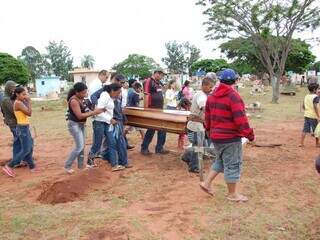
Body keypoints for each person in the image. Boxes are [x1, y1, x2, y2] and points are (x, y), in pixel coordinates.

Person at [200, 69, 255, 202]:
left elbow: (207, 118)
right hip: (230, 138)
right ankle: (232, 194)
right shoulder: (233, 96)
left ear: (220, 80)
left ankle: (206, 183)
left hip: (216, 136)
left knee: (220, 161)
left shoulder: (212, 96)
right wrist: (250, 135)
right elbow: (240, 119)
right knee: (233, 164)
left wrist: (209, 132)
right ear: (235, 80)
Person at [64, 82, 104, 174]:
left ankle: (81, 165)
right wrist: (94, 113)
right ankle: (67, 166)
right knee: (79, 147)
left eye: (86, 92)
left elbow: (88, 110)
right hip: (74, 125)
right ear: (77, 92)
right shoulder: (74, 101)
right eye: (83, 93)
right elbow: (80, 116)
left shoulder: (82, 99)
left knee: (82, 146)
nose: (85, 94)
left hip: (81, 125)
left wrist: (95, 111)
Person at [181, 77, 214, 173]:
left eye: (212, 87)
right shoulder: (201, 96)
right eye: (210, 87)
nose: (211, 89)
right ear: (204, 85)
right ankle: (194, 166)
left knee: (200, 146)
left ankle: (186, 156)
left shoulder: (203, 94)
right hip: (196, 125)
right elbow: (204, 108)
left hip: (196, 125)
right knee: (199, 146)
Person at [2, 87, 37, 177]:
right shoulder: (18, 103)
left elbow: (26, 112)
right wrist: (29, 101)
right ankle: (9, 166)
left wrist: (26, 100)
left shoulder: (20, 102)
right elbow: (29, 113)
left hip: (25, 127)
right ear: (17, 94)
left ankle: (32, 166)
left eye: (25, 94)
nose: (25, 96)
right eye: (23, 94)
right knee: (26, 149)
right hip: (22, 128)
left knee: (30, 147)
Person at [95, 83, 129, 171]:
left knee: (112, 142)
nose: (119, 94)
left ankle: (114, 164)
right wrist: (110, 119)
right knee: (97, 144)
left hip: (109, 123)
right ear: (113, 91)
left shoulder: (111, 97)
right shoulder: (105, 96)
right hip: (100, 123)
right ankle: (90, 161)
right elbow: (98, 111)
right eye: (118, 92)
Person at [141, 69, 169, 155]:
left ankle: (159, 148)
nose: (162, 77)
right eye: (162, 75)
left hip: (159, 110)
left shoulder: (158, 83)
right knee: (151, 129)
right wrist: (146, 111)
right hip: (152, 110)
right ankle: (144, 148)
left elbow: (160, 93)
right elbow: (146, 95)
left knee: (163, 128)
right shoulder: (148, 81)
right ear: (157, 74)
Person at [0, 81, 22, 164]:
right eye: (13, 88)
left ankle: (18, 159)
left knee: (19, 140)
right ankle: (17, 160)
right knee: (18, 141)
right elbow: (14, 111)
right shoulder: (6, 99)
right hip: (13, 123)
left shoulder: (9, 98)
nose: (15, 89)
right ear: (9, 88)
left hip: (15, 121)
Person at [300, 82, 320, 148]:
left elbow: (303, 106)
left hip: (306, 115)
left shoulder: (306, 96)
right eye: (317, 89)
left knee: (305, 129)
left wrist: (307, 110)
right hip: (313, 116)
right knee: (316, 130)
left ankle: (301, 143)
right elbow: (315, 107)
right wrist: (318, 116)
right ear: (314, 89)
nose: (318, 90)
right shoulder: (316, 97)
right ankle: (317, 144)